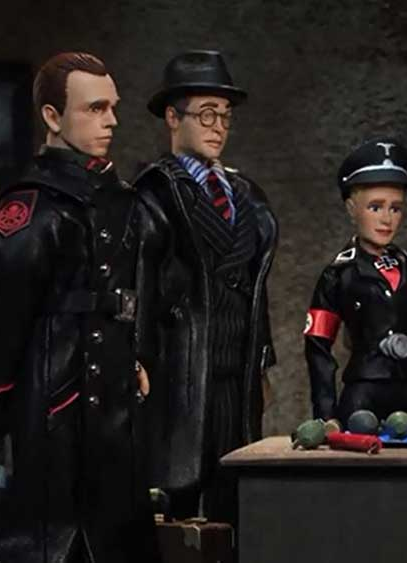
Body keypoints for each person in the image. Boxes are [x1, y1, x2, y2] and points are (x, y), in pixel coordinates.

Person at [0, 52, 159, 563]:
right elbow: (5, 313)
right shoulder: (34, 205)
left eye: (112, 107)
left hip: (115, 394)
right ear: (52, 117)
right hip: (56, 394)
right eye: (95, 109)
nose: (111, 121)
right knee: (54, 534)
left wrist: (132, 355)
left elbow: (121, 288)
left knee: (121, 530)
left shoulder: (119, 196)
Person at [133, 50, 278, 527]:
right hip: (181, 367)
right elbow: (141, 282)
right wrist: (137, 355)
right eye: (206, 114)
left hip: (236, 369)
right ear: (173, 118)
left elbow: (256, 287)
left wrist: (262, 359)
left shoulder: (246, 194)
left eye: (225, 116)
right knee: (176, 490)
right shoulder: (155, 192)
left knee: (234, 490)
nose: (218, 127)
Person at [303, 137, 407, 426]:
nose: (386, 219)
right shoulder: (338, 275)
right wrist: (326, 416)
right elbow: (318, 348)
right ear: (351, 208)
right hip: (362, 394)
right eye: (375, 207)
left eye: (396, 208)